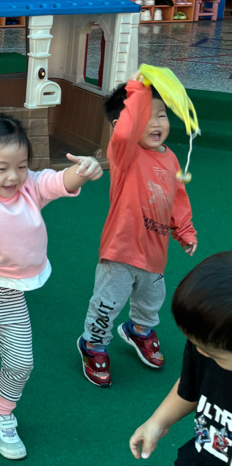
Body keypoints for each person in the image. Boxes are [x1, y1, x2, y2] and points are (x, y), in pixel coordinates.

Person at [0, 113, 102, 466]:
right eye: (1, 168)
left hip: (11, 296)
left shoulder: (30, 187)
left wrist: (83, 170)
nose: (13, 176)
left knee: (22, 363)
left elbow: (58, 181)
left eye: (22, 166)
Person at [78, 76, 196, 388]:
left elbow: (177, 198)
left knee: (151, 299)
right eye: (145, 117)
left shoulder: (170, 158)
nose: (156, 123)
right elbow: (124, 134)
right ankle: (93, 344)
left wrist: (184, 230)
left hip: (154, 252)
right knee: (107, 304)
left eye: (161, 114)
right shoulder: (125, 154)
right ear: (124, 125)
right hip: (120, 251)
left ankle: (139, 330)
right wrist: (137, 89)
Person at [130, 251, 232, 465]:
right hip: (202, 455)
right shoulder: (209, 341)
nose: (201, 354)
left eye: (212, 353)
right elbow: (190, 385)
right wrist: (159, 421)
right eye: (195, 344)